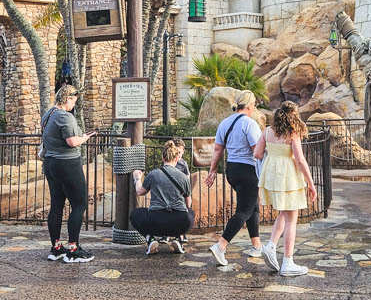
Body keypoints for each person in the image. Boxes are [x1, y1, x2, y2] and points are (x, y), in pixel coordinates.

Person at [254, 101, 318, 277]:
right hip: (288, 177)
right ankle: (288, 262)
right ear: (294, 115)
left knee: (284, 212)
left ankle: (271, 246)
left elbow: (257, 154)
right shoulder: (292, 133)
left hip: (272, 175)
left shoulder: (267, 131)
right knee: (292, 219)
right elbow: (300, 160)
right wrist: (311, 184)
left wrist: (273, 153)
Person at [205, 90, 264, 266]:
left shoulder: (225, 123)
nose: (254, 108)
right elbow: (257, 151)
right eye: (253, 105)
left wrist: (213, 170)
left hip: (232, 170)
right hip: (248, 170)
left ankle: (257, 245)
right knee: (244, 211)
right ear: (248, 106)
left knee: (252, 207)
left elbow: (217, 149)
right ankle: (221, 246)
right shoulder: (250, 124)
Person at [41, 85, 95, 264]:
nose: (74, 105)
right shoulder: (65, 116)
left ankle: (56, 248)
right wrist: (85, 138)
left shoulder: (48, 114)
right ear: (68, 98)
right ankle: (73, 249)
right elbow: (72, 141)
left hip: (50, 163)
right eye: (74, 101)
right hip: (68, 164)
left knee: (57, 204)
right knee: (79, 204)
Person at [131, 139, 194, 255]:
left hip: (156, 221)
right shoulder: (184, 177)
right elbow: (188, 202)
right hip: (179, 221)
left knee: (135, 214)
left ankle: (150, 239)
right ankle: (179, 239)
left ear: (162, 158)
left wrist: (137, 179)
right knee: (191, 213)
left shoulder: (154, 174)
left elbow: (140, 192)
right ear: (176, 158)